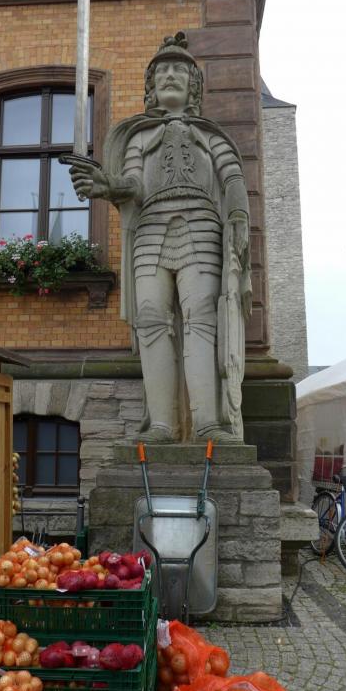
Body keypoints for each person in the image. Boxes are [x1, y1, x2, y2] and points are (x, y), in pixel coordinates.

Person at [70, 32, 252, 443]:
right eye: (163, 70)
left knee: (201, 317)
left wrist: (239, 215)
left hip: (201, 226)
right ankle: (162, 425)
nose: (170, 75)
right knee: (151, 319)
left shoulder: (212, 136)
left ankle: (207, 423)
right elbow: (133, 184)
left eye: (179, 70)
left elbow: (233, 178)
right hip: (151, 230)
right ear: (151, 85)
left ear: (194, 84)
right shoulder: (137, 137)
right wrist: (107, 185)